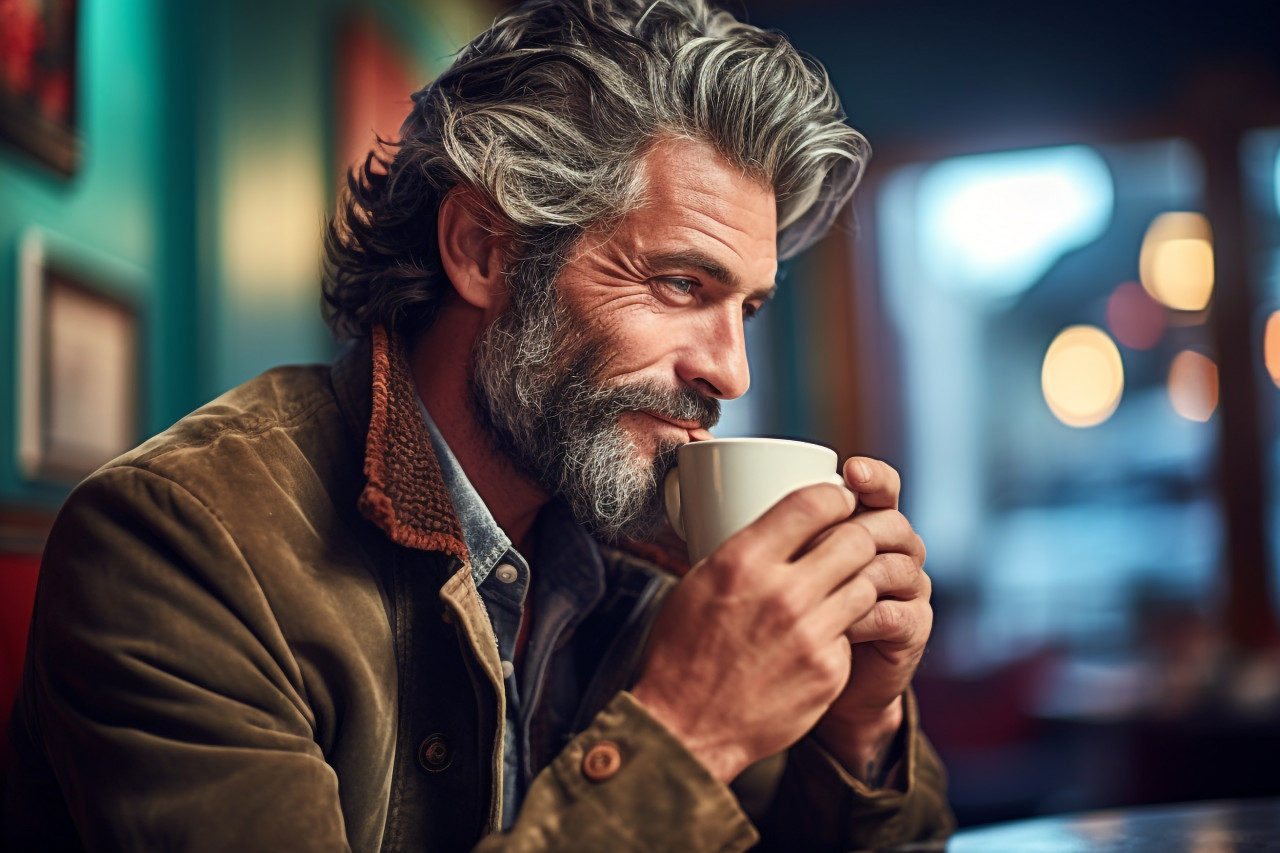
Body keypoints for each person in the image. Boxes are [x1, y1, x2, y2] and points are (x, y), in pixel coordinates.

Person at [3, 0, 955, 850]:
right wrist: (685, 736)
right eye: (679, 284)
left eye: (745, 307)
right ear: (484, 249)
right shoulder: (176, 546)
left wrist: (858, 728)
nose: (731, 372)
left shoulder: (654, 542)